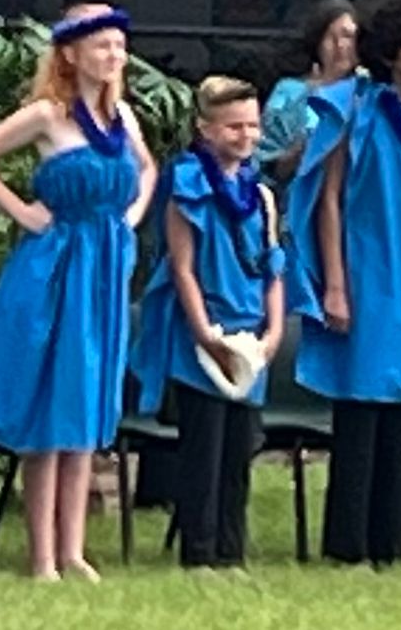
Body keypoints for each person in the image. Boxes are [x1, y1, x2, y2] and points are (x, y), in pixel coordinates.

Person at [0, 2, 152, 582]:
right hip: (56, 265)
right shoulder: (48, 115)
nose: (112, 56)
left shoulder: (124, 119)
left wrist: (131, 219)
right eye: (100, 46)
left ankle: (74, 549)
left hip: (105, 267)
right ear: (70, 53)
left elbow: (147, 171)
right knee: (51, 407)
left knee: (84, 404)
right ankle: (42, 554)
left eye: (119, 46)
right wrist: (22, 211)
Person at [289, 0, 401, 567]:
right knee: (362, 404)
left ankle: (392, 543)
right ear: (392, 52)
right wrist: (334, 282)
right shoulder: (353, 108)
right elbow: (327, 199)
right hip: (366, 268)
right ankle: (347, 544)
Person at [132, 76, 285, 571]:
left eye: (252, 125)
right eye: (233, 126)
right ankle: (198, 553)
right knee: (205, 448)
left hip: (252, 333)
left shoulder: (260, 194)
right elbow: (181, 267)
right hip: (204, 333)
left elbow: (272, 267)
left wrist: (274, 332)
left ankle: (231, 552)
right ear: (205, 129)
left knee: (241, 449)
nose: (245, 135)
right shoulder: (189, 184)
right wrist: (204, 333)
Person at [260, 0, 356, 184]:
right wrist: (300, 152)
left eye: (347, 36)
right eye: (330, 37)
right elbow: (268, 167)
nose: (340, 46)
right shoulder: (289, 93)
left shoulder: (369, 93)